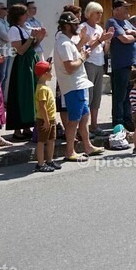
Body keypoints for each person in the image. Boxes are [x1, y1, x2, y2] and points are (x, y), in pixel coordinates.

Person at [54, 11, 103, 162]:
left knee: (84, 117)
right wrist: (83, 57)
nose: (78, 26)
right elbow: (70, 67)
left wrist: (82, 53)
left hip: (79, 84)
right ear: (67, 26)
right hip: (73, 86)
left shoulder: (68, 42)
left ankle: (87, 146)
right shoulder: (64, 43)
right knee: (73, 120)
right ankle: (70, 152)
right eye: (75, 24)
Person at [5, 3, 44, 142]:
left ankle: (27, 126)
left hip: (30, 62)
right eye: (25, 13)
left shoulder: (25, 28)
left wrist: (40, 37)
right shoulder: (14, 30)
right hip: (21, 64)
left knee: (30, 94)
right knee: (20, 94)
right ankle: (17, 129)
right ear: (19, 16)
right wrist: (31, 38)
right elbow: (20, 50)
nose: (27, 15)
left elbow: (33, 46)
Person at [79, 2, 113, 132]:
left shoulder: (99, 28)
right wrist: (100, 40)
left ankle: (94, 125)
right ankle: (84, 127)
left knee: (97, 97)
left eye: (101, 13)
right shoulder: (83, 27)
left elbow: (104, 51)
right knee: (89, 96)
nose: (99, 15)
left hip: (99, 64)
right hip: (89, 63)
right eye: (97, 12)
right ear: (89, 13)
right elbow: (84, 48)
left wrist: (108, 40)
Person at [106, 0, 136, 129]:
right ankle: (118, 121)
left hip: (131, 64)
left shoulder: (127, 22)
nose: (127, 10)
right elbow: (124, 39)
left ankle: (127, 119)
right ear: (116, 9)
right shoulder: (112, 22)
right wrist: (134, 36)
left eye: (127, 8)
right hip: (121, 64)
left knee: (129, 95)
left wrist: (134, 34)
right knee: (119, 96)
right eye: (124, 7)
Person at [33, 61, 60, 172]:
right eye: (50, 72)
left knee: (51, 140)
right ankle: (40, 163)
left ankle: (49, 160)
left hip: (50, 119)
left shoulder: (45, 87)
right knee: (42, 141)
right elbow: (42, 106)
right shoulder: (42, 89)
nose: (52, 74)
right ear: (45, 74)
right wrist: (46, 121)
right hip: (44, 120)